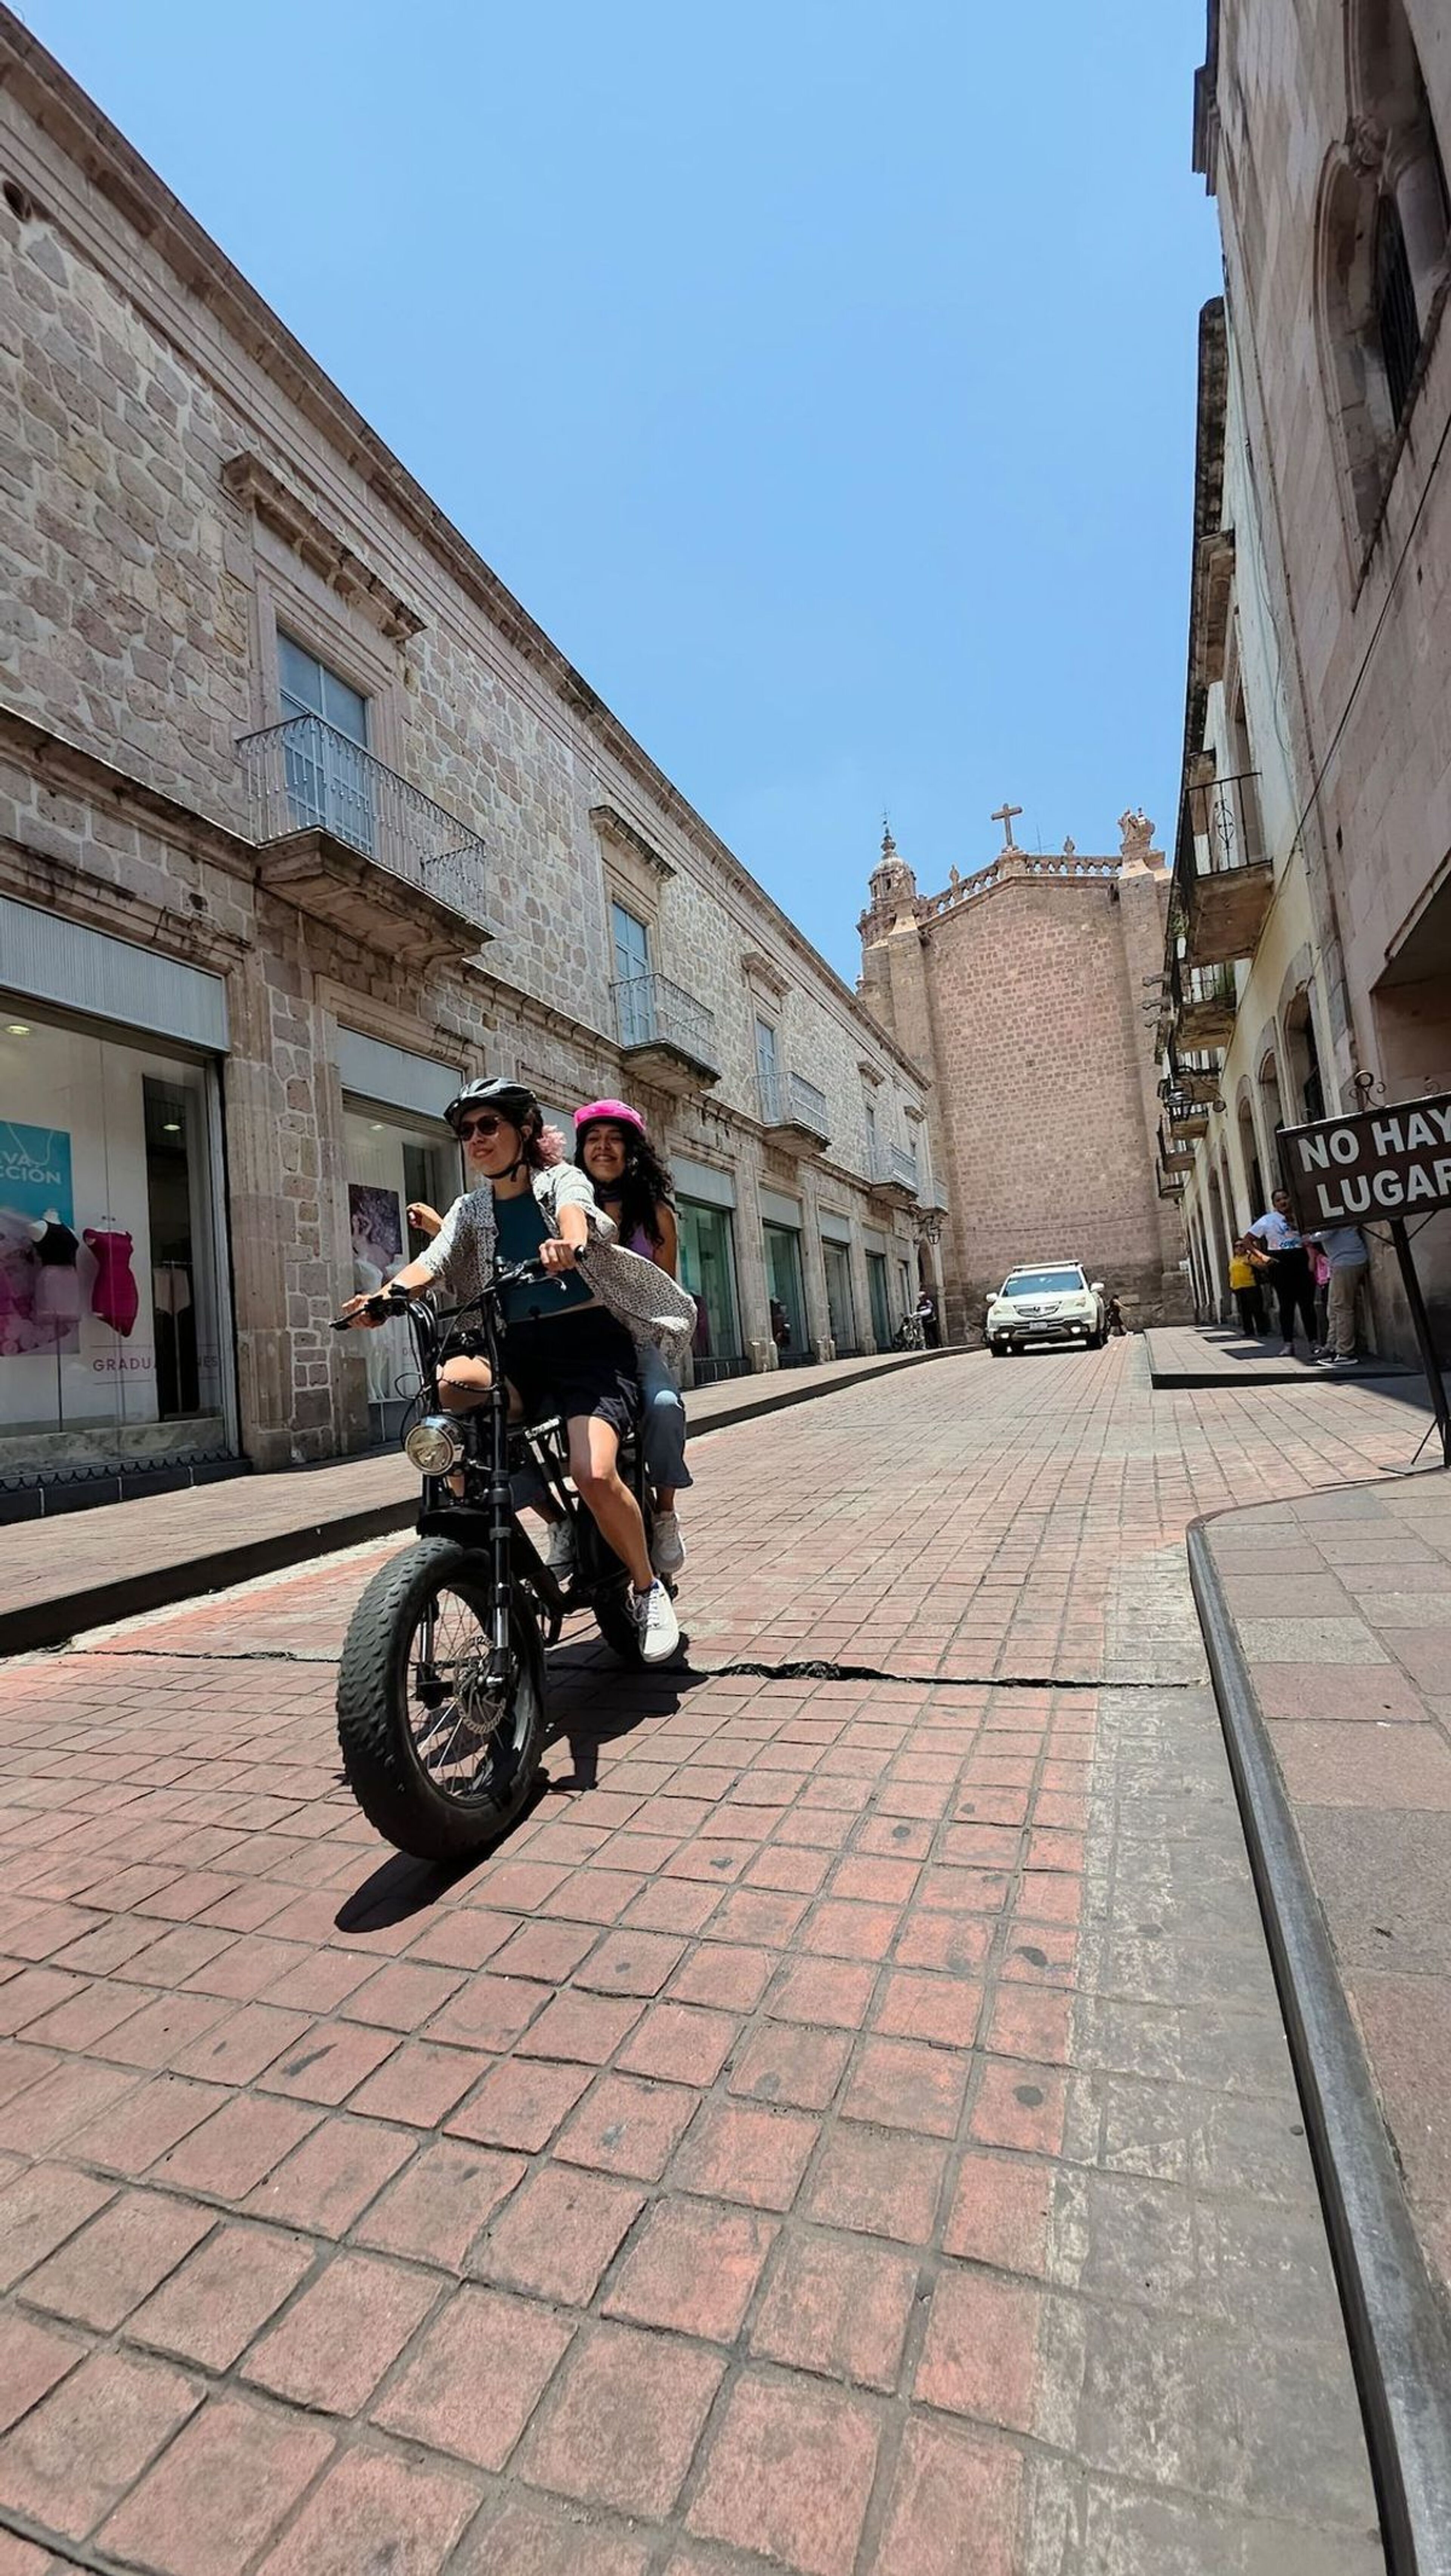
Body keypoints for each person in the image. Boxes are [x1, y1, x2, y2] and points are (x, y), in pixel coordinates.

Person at [340, 1077, 681, 1664]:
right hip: (517, 1350)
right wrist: (385, 1296)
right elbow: (435, 1259)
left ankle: (649, 1589)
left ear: (524, 1130)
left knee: (595, 1472)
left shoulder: (558, 1182)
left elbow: (576, 1216)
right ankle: (512, 1537)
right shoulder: (472, 1208)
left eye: (488, 1125)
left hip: (591, 1348)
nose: (475, 1138)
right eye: (466, 1130)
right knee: (453, 1391)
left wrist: (567, 1245)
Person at [1248, 1187, 1318, 1356]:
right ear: (1274, 1204)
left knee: (1307, 1304)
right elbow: (1248, 1241)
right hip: (1280, 1261)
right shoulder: (1267, 1221)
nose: (1283, 1202)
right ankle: (1288, 1343)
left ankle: (1314, 1342)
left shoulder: (1301, 1216)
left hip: (1301, 1257)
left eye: (1285, 1198)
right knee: (1286, 1305)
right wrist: (1263, 1257)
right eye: (1279, 1200)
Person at [1309, 1221, 1370, 1369]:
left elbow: (1325, 1233)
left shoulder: (1332, 1215)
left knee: (1342, 1307)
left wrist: (1306, 1238)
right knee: (1333, 1308)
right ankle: (1332, 1346)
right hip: (1341, 1262)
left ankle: (1345, 1351)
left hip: (1348, 1261)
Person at [1227, 1237, 1267, 1338]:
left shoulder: (1250, 1257)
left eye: (1242, 1246)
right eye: (1237, 1246)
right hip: (1238, 1288)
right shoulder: (1234, 1260)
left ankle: (1262, 1330)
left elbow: (1263, 1267)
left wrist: (1252, 1264)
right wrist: (1232, 1286)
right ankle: (1249, 1331)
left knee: (1257, 1309)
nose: (1239, 1248)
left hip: (1251, 1286)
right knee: (1244, 1311)